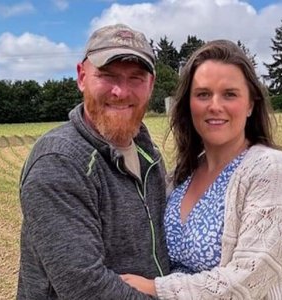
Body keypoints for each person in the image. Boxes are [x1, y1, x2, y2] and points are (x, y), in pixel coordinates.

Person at [121, 39, 282, 299]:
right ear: (188, 103)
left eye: (229, 94)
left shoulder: (271, 171)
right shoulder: (180, 176)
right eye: (203, 94)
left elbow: (248, 279)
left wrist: (156, 288)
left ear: (251, 104)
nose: (215, 105)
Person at [17, 23, 170, 299]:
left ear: (151, 85)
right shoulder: (59, 162)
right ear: (81, 76)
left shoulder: (149, 154)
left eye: (136, 78)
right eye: (108, 76)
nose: (121, 92)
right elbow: (87, 288)